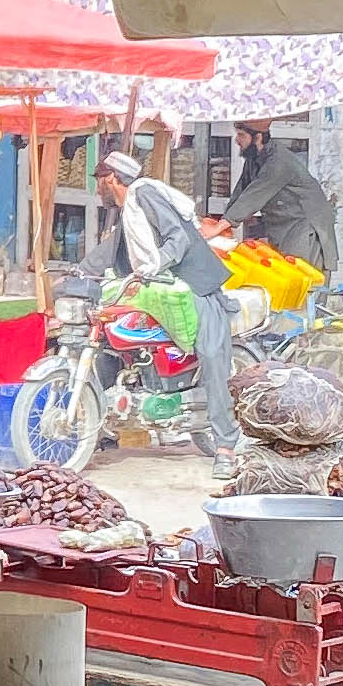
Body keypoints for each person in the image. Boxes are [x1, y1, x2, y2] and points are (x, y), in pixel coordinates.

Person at [94, 147, 243, 458]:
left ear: (112, 179)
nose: (97, 189)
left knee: (212, 354)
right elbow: (112, 249)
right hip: (163, 289)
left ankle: (226, 447)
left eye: (99, 181)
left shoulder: (143, 194)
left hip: (196, 284)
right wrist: (81, 272)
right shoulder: (129, 208)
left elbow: (179, 239)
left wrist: (154, 265)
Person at [220, 119, 337, 275]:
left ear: (258, 137)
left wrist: (221, 225)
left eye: (241, 135)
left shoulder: (279, 161)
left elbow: (254, 195)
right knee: (284, 277)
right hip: (284, 227)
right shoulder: (254, 158)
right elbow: (242, 191)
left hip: (305, 227)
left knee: (302, 281)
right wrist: (223, 222)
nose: (236, 140)